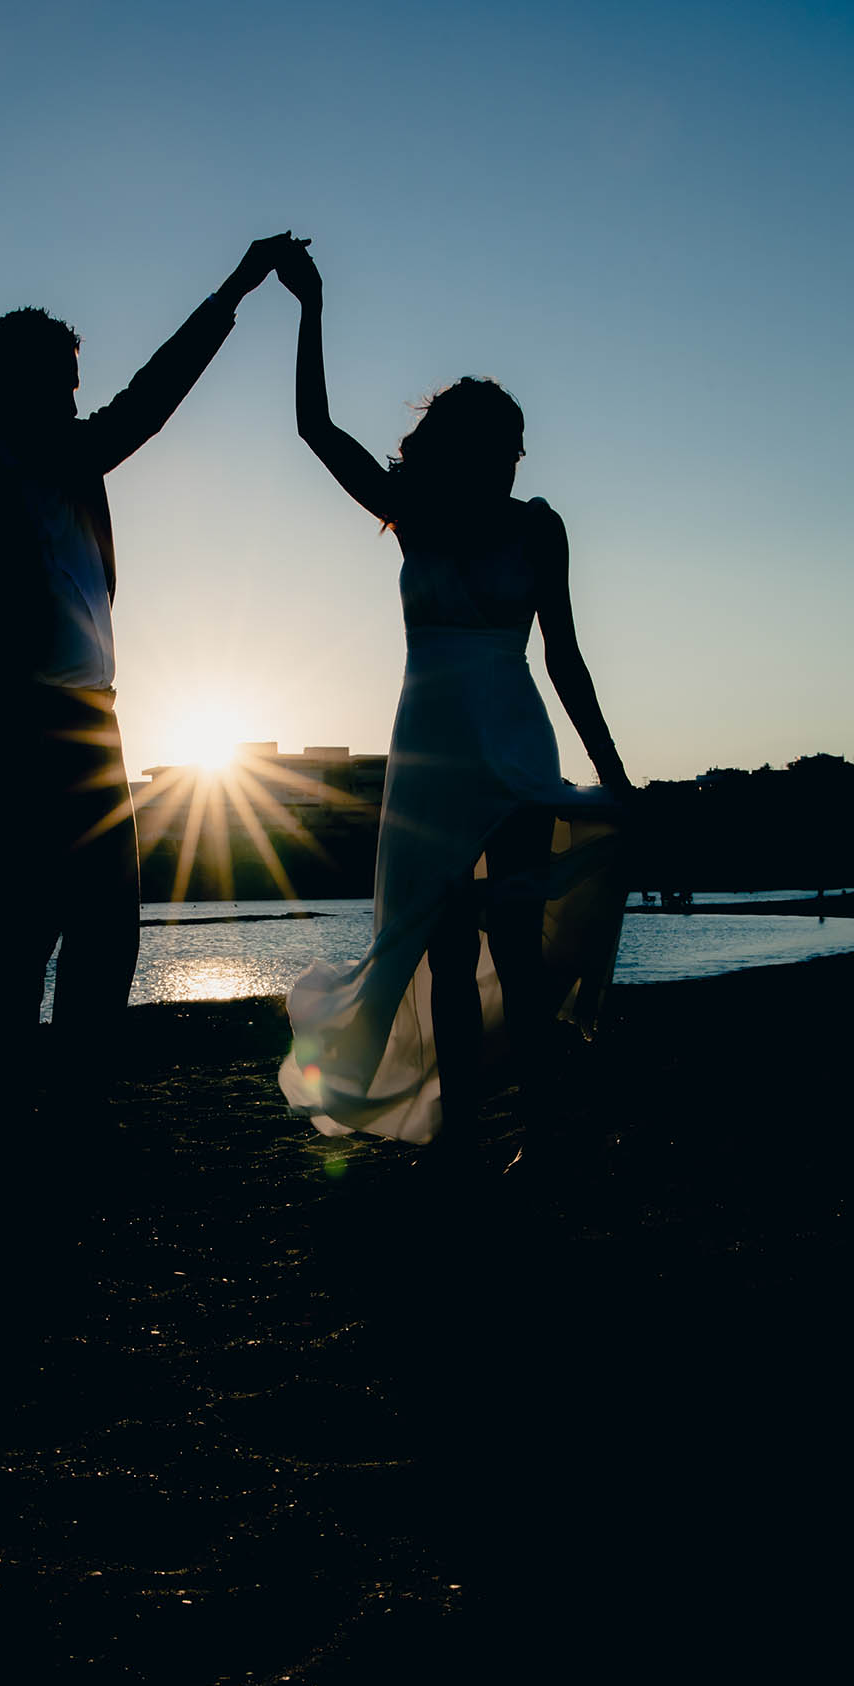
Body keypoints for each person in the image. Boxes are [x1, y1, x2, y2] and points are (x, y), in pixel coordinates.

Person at [0, 235, 294, 1083]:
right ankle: (2, 1124)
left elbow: (153, 397)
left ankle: (76, 1110)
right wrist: (8, 713)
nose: (79, 404)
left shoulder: (77, 457)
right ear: (10, 383)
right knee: (19, 942)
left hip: (98, 723)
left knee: (109, 933)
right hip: (24, 732)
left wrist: (240, 282)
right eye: (63, 388)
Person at [274, 241, 633, 1162]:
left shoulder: (538, 527)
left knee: (514, 945)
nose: (515, 460)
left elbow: (567, 659)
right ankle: (465, 1134)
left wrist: (614, 772)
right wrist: (311, 309)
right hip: (432, 760)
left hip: (515, 751)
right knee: (434, 951)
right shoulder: (416, 515)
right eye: (503, 446)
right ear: (468, 451)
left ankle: (543, 1134)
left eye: (520, 447)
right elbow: (316, 428)